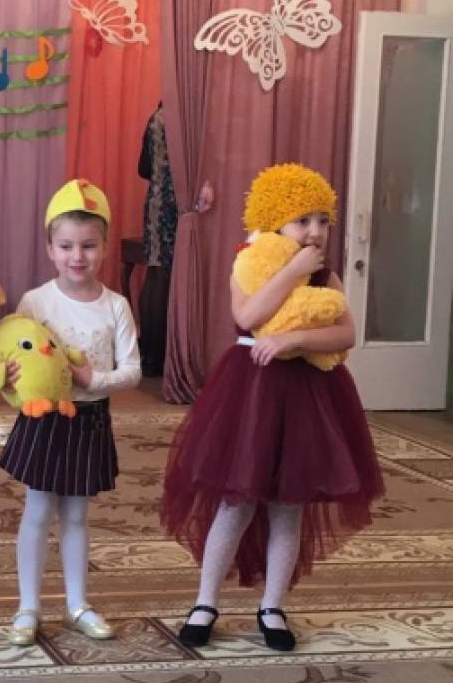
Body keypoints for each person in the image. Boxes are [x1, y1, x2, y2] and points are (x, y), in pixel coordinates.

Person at [160, 163, 384, 652]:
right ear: (273, 222)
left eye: (323, 220)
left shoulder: (328, 275)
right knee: (236, 500)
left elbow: (346, 333)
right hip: (252, 394)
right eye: (302, 220)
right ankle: (205, 601)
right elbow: (248, 314)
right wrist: (292, 272)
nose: (315, 231)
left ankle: (273, 605)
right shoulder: (248, 263)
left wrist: (295, 338)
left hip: (307, 397)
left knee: (289, 505)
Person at [0, 179, 141, 646]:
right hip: (43, 419)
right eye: (65, 246)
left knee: (77, 516)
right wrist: (12, 378)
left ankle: (78, 604)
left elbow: (133, 371)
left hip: (90, 419)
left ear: (104, 247)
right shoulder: (36, 302)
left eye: (88, 245)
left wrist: (92, 380)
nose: (77, 256)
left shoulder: (116, 306)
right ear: (50, 249)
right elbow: (10, 355)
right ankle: (28, 606)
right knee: (38, 510)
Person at [137, 103, 177, 377]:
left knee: (155, 275)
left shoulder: (156, 117)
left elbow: (143, 168)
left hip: (156, 203)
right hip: (175, 205)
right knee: (163, 279)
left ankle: (150, 353)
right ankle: (158, 354)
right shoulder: (182, 116)